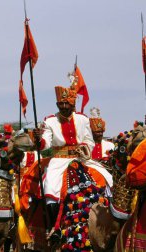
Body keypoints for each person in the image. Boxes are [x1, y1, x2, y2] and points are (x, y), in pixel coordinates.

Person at [33, 86, 112, 233]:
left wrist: (83, 148)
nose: (63, 107)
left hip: (80, 158)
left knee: (107, 178)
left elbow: (89, 140)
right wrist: (39, 140)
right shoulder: (50, 121)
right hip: (59, 160)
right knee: (50, 186)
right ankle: (54, 228)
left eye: (66, 104)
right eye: (60, 104)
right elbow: (46, 144)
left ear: (72, 104)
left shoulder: (82, 119)